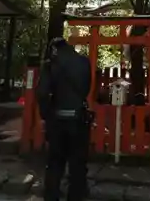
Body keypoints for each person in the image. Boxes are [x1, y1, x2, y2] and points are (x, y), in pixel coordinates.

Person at [36, 37, 92, 201]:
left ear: (54, 49)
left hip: (58, 120)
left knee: (55, 162)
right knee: (78, 164)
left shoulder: (50, 65)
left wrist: (46, 115)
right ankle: (76, 196)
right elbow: (86, 89)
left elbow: (42, 93)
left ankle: (52, 196)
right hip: (78, 119)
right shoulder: (83, 62)